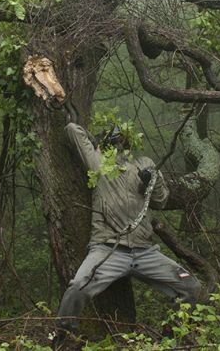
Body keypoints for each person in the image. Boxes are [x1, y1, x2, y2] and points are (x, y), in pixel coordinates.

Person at [53, 120, 202, 349]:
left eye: (123, 136)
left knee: (190, 286)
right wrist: (96, 142)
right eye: (115, 137)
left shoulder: (144, 163)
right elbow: (71, 129)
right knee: (78, 286)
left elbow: (161, 200)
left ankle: (171, 336)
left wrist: (151, 180)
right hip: (108, 249)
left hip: (144, 251)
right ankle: (63, 336)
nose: (120, 140)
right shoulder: (99, 162)